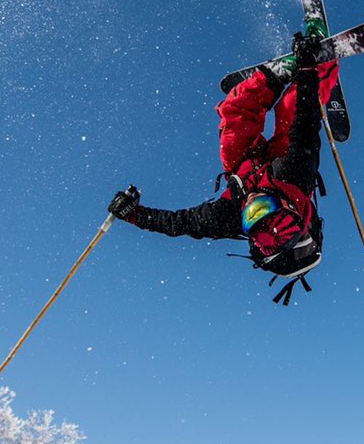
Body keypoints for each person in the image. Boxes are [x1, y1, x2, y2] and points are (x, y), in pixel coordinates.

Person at [109, 30, 339, 304]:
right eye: (263, 207)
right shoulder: (296, 177)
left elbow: (178, 223)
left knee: (234, 113)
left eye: (250, 216)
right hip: (283, 159)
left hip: (246, 167)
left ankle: (273, 76)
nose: (253, 203)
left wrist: (133, 214)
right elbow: (306, 123)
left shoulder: (227, 215)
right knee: (294, 105)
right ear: (286, 206)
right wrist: (307, 66)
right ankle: (323, 64)